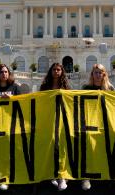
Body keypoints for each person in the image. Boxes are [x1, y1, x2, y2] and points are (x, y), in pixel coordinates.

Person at [0, 64, 21, 191]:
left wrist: (13, 98)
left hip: (10, 123)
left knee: (9, 151)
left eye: (6, 72)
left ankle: (7, 177)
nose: (4, 74)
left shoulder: (15, 88)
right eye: (1, 72)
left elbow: (22, 103)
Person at [80, 64, 115, 191]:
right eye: (96, 72)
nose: (98, 75)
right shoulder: (86, 88)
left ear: (104, 74)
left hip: (106, 121)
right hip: (90, 120)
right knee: (88, 146)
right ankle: (86, 176)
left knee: (110, 145)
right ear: (92, 74)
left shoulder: (110, 88)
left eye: (100, 72)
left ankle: (114, 173)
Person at [41, 63, 71, 191]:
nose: (56, 72)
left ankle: (62, 176)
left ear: (62, 72)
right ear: (50, 71)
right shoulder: (44, 86)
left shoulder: (66, 87)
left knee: (62, 147)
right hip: (48, 119)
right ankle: (51, 174)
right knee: (50, 145)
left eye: (59, 70)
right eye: (54, 69)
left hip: (62, 119)